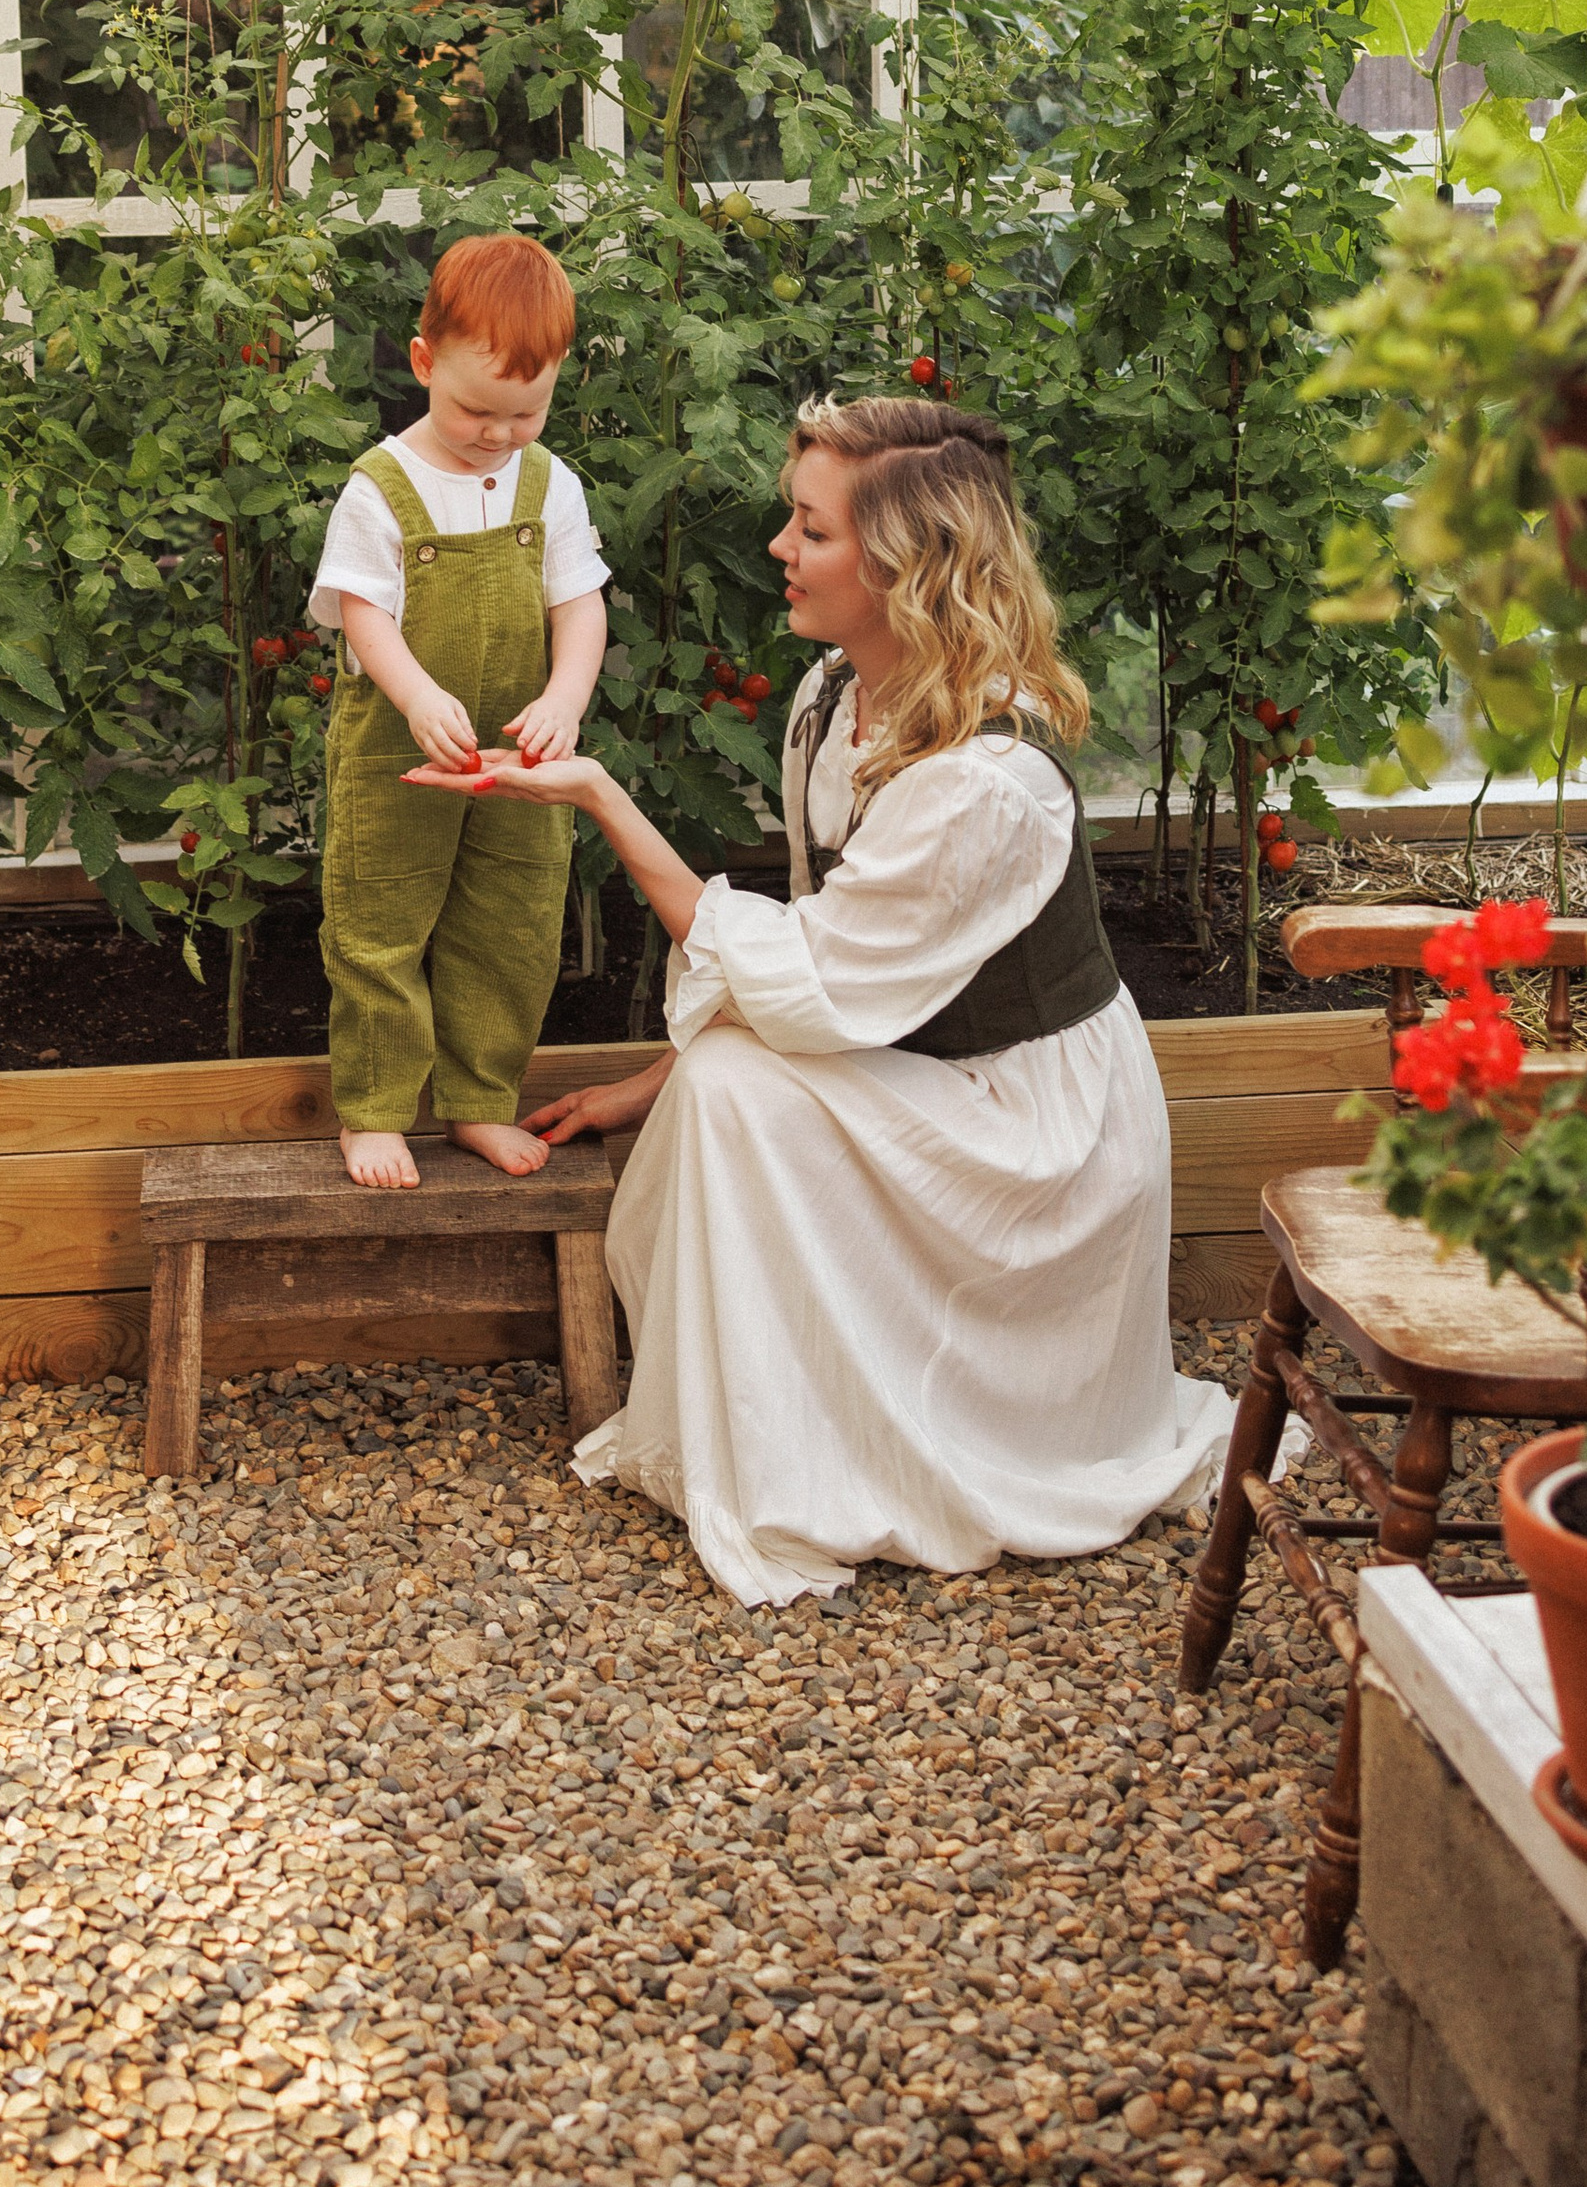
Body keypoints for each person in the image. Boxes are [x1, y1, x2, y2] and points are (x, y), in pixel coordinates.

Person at [410, 394, 1234, 1606]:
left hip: (1033, 1126)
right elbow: (816, 955)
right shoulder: (827, 702)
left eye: (811, 530)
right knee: (721, 1088)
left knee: (737, 1093)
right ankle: (784, 1425)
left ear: (910, 567)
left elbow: (812, 981)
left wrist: (601, 800)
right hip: (922, 1067)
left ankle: (842, 1451)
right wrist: (650, 1087)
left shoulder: (984, 779)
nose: (780, 551)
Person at [311, 234, 609, 1191]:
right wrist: (417, 693)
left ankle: (480, 1101)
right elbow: (363, 615)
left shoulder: (548, 481)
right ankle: (375, 1113)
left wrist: (565, 698)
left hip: (517, 760)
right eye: (477, 408)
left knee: (511, 927)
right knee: (379, 926)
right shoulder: (381, 486)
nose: (497, 433)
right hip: (399, 754)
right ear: (423, 362)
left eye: (527, 412)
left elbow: (579, 604)